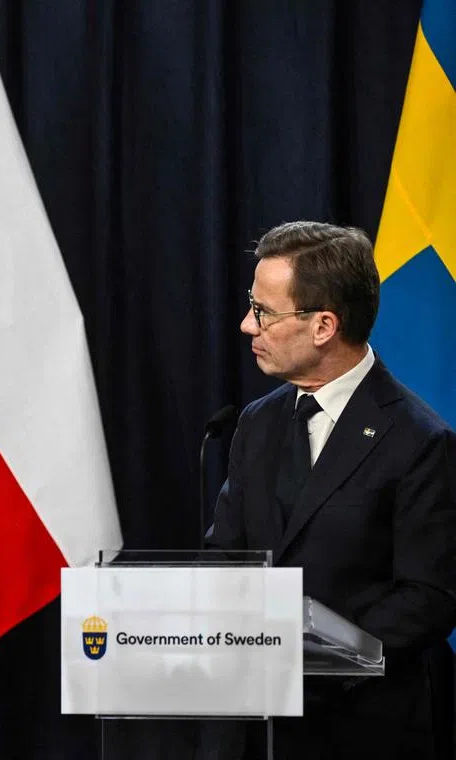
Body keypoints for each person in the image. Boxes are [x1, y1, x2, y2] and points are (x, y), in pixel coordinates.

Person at [205, 221, 456, 759]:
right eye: (253, 305)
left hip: (364, 728)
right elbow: (227, 552)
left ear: (323, 326)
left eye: (265, 312)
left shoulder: (419, 439)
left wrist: (308, 659)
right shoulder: (258, 422)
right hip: (260, 730)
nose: (248, 325)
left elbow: (428, 597)